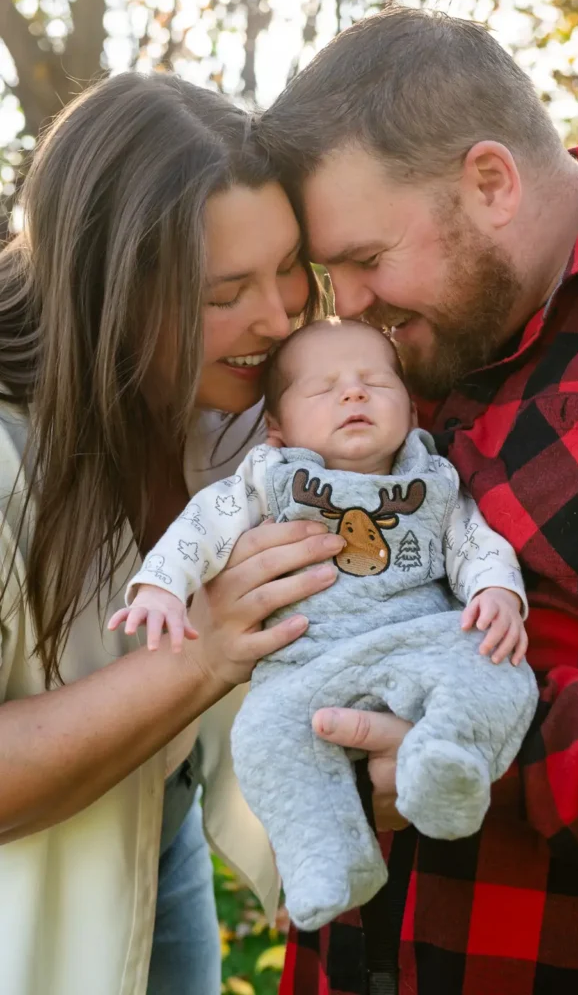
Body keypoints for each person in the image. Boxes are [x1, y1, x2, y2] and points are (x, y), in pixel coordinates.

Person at [259, 5, 578, 995]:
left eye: (364, 260)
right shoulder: (401, 352)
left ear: (488, 181)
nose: (348, 304)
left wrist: (492, 750)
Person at [0, 72, 345, 995]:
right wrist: (199, 657)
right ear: (103, 288)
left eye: (286, 270)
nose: (276, 318)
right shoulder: (6, 450)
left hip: (161, 841)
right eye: (223, 291)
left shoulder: (234, 420)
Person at [110, 317, 536, 931]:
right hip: (304, 664)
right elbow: (203, 525)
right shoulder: (269, 479)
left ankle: (446, 761)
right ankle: (327, 859)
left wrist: (497, 590)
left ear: (411, 411)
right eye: (323, 388)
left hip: (418, 640)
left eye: (374, 383)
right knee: (262, 739)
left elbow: (473, 539)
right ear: (278, 428)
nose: (353, 394)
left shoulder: (431, 479)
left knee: (497, 670)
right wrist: (161, 587)